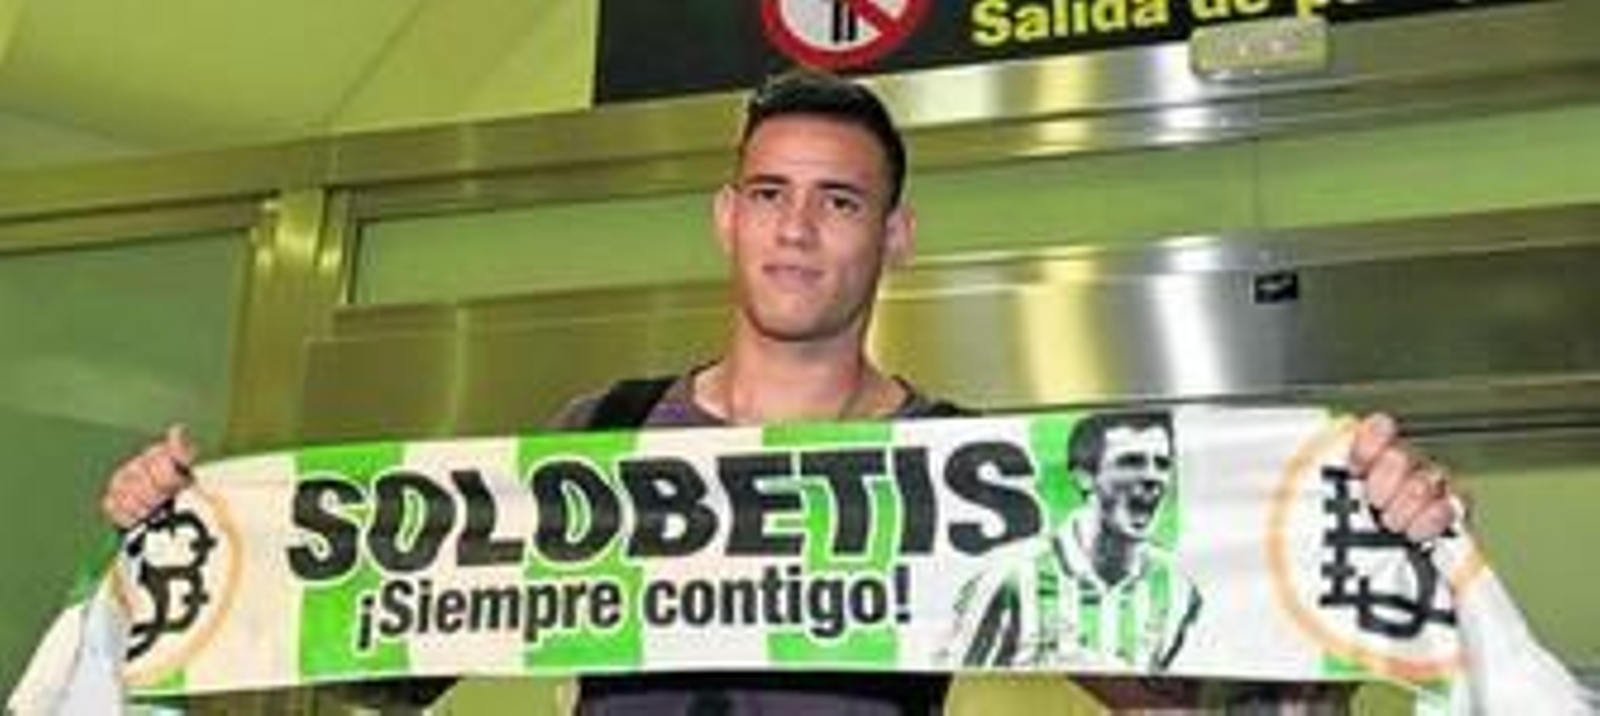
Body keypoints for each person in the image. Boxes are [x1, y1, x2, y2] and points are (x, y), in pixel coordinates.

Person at [100, 69, 1463, 714]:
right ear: (726, 217)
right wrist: (191, 545)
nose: (797, 229)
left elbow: (1190, 712)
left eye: (838, 201)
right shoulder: (604, 436)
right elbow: (381, 667)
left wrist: (1345, 568)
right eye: (769, 193)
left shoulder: (969, 471)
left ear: (894, 237)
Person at [946, 411, 1201, 672]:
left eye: (1162, 464)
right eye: (1132, 462)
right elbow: (952, 680)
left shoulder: (1178, 590)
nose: (1152, 477)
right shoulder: (1009, 576)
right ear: (1084, 477)